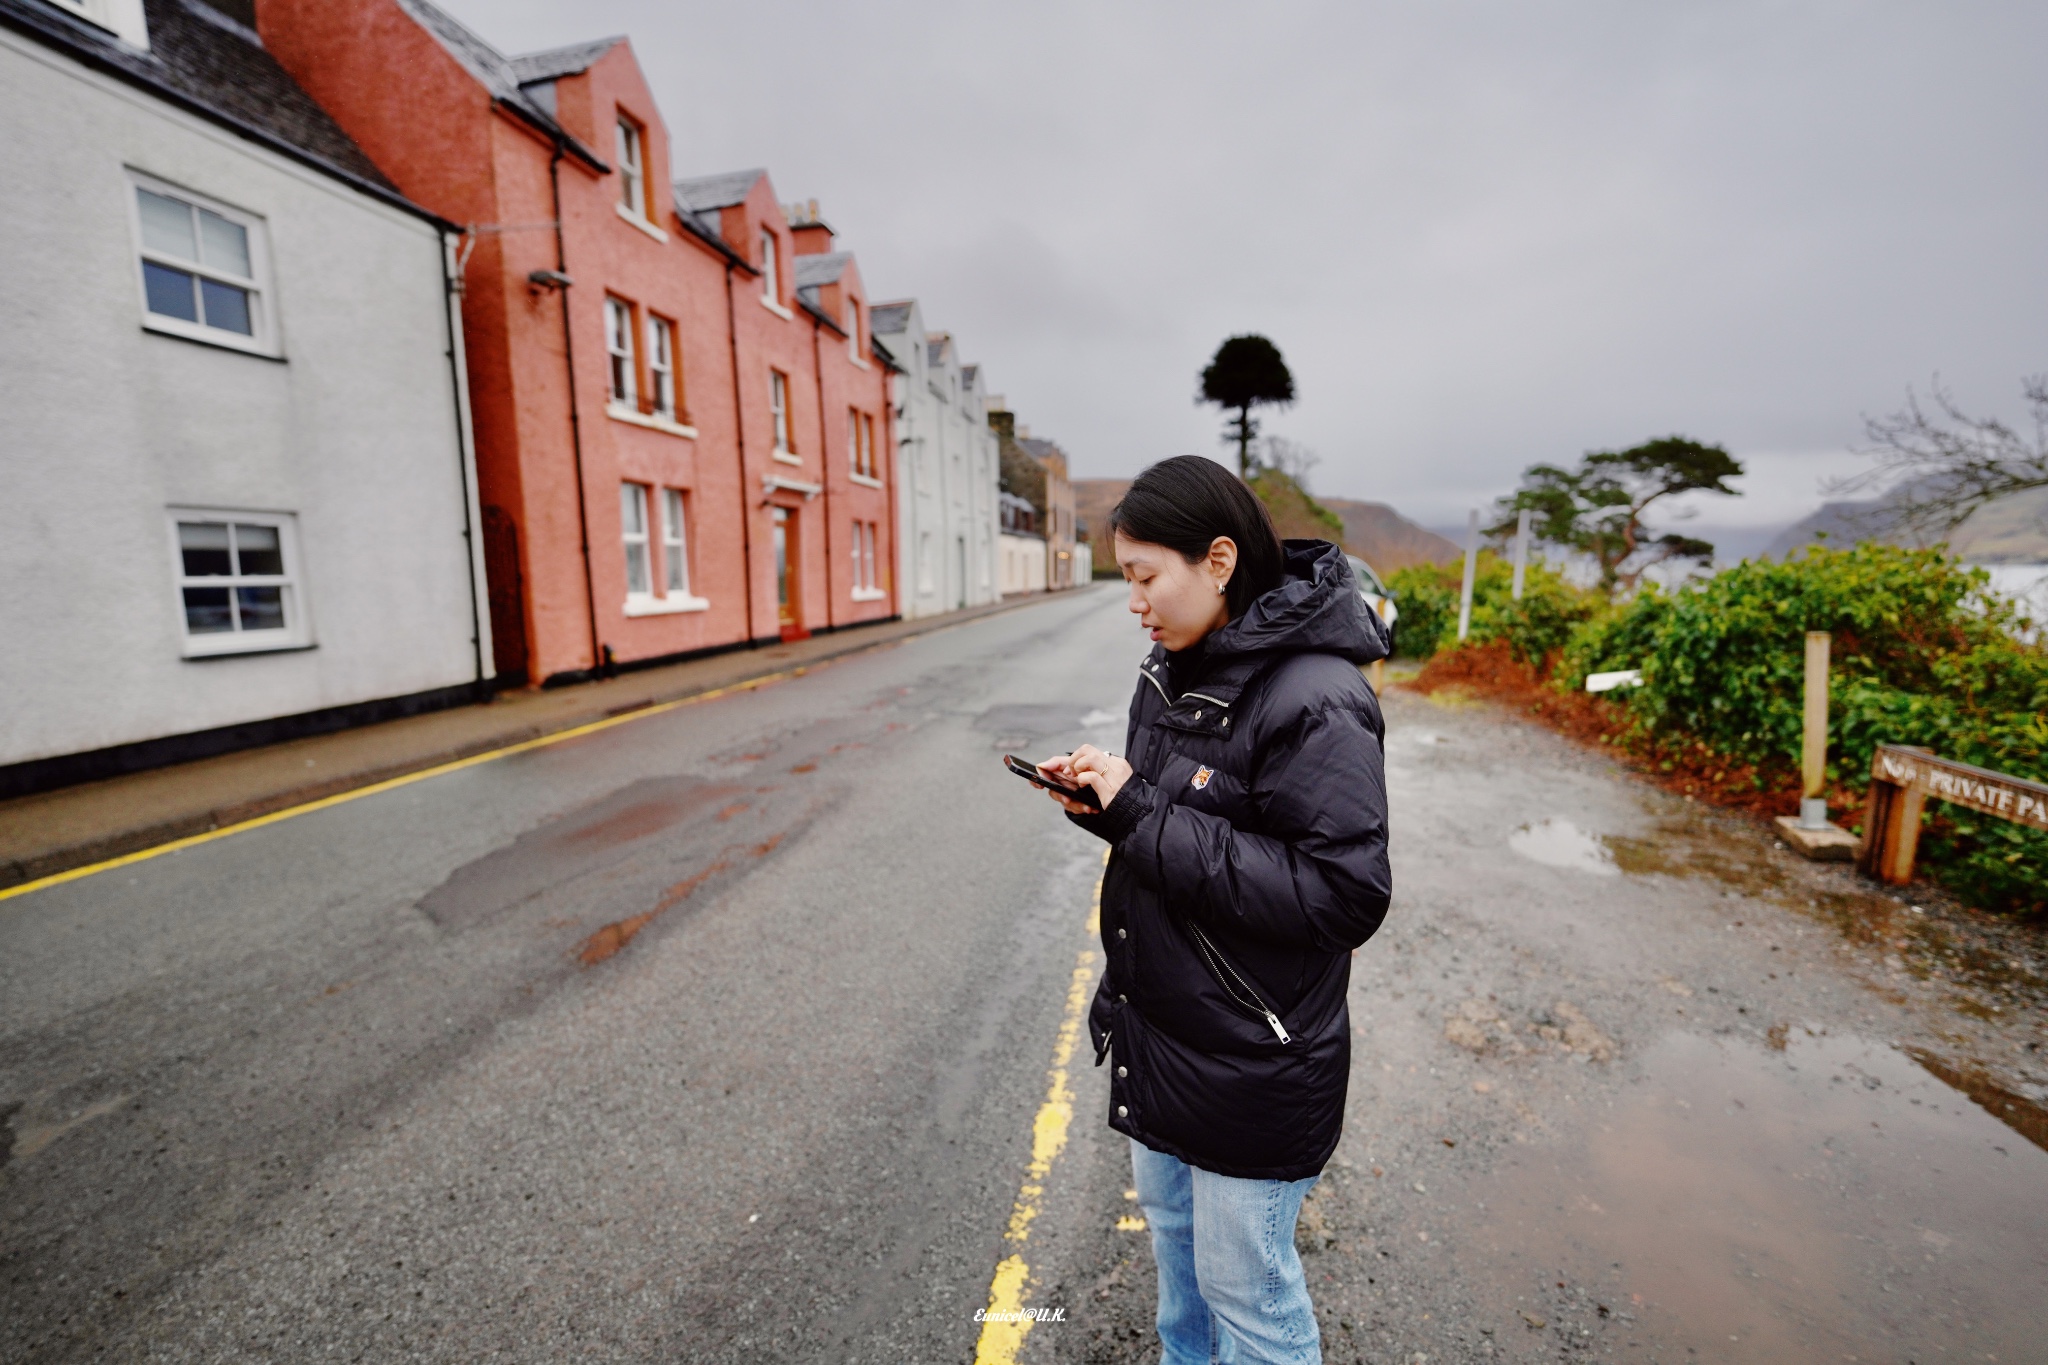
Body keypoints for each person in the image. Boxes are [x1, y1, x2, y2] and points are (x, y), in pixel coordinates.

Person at [1038, 455, 1391, 1365]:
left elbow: (1343, 894)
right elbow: (1172, 842)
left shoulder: (1320, 694)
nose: (1135, 602)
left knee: (1251, 1300)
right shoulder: (1169, 671)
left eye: (1146, 576)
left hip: (1253, 1056)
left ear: (1220, 561)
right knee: (1180, 1269)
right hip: (1165, 1035)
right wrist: (1108, 809)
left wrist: (1143, 815)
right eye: (1128, 579)